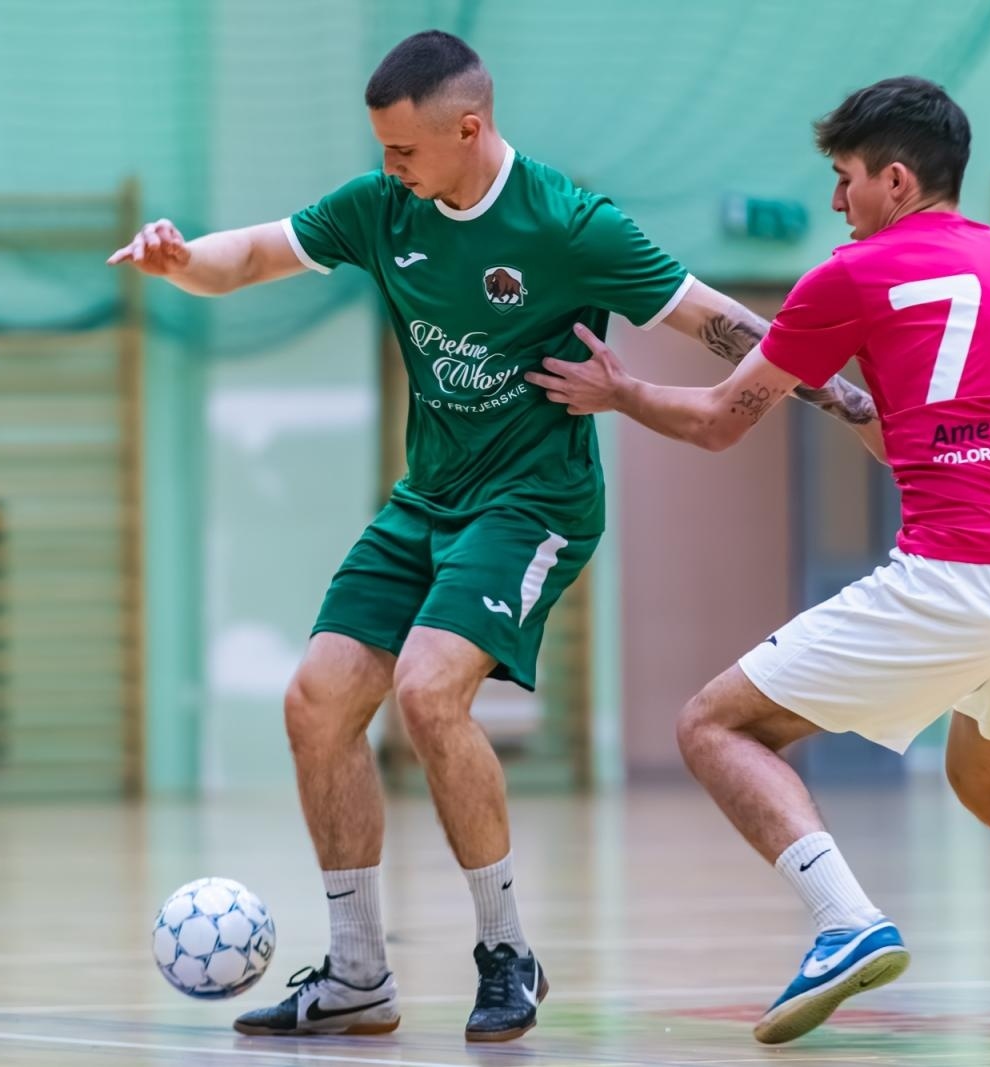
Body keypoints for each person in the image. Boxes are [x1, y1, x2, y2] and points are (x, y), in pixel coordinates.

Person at [109, 30, 881, 1042]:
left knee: (430, 691)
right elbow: (250, 255)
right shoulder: (386, 209)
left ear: (468, 127)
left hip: (532, 503)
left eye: (404, 150)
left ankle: (504, 949)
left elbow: (709, 319)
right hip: (425, 500)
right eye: (382, 150)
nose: (389, 168)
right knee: (315, 701)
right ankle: (355, 974)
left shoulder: (566, 223)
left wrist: (831, 391)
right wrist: (179, 262)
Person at [526, 75, 990, 1045]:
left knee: (711, 724)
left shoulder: (851, 276)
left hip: (963, 568)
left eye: (843, 177)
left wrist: (622, 392)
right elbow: (917, 423)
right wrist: (837, 394)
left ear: (895, 179)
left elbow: (713, 424)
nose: (833, 202)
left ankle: (845, 921)